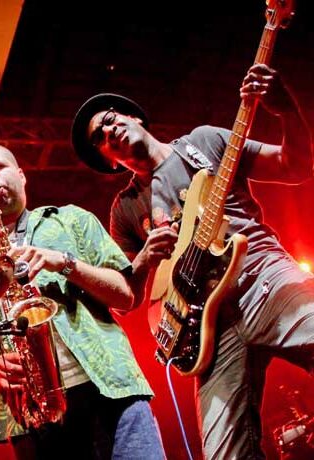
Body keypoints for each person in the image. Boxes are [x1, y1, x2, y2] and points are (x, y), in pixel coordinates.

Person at [71, 63, 314, 459]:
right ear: (109, 161)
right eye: (99, 137)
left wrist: (286, 110)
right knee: (222, 453)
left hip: (262, 278)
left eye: (111, 119)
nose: (109, 131)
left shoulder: (202, 141)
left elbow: (295, 167)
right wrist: (144, 258)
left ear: (134, 118)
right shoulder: (126, 209)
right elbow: (126, 297)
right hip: (210, 330)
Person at [0, 142, 166, 460]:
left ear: (21, 175)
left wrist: (65, 263)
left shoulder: (73, 220)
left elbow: (126, 296)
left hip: (112, 389)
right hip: (31, 413)